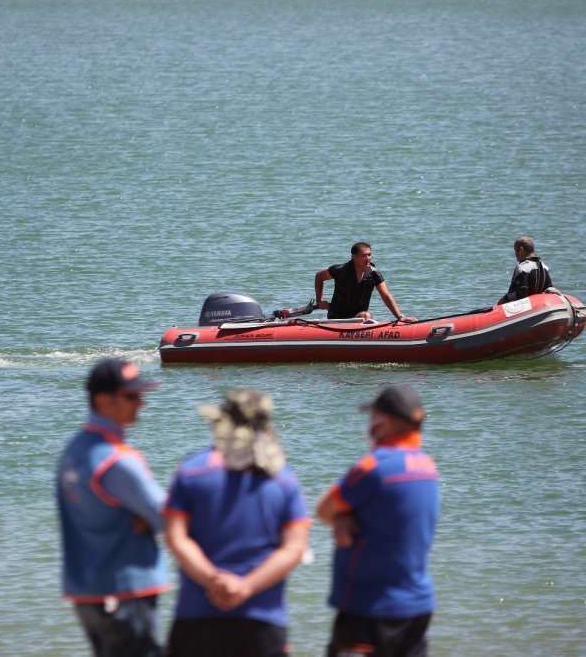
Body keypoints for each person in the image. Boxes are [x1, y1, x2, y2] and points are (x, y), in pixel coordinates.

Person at [164, 389, 311, 657]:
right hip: (262, 619)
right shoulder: (284, 479)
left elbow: (175, 537)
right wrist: (246, 587)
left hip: (197, 615)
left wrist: (213, 580)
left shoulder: (191, 471)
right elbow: (295, 548)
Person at [56, 358, 169, 657]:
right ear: (103, 400)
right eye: (131, 396)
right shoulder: (118, 461)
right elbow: (171, 519)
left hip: (86, 594)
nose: (141, 403)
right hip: (126, 591)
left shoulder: (72, 451)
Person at [316, 385, 440, 657]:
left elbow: (324, 509)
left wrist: (340, 517)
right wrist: (346, 516)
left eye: (373, 417)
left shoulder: (374, 467)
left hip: (371, 607)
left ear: (383, 421)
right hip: (418, 607)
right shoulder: (427, 466)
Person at [315, 242, 418, 322]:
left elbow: (386, 295)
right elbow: (319, 276)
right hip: (336, 318)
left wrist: (400, 317)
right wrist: (319, 300)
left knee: (366, 315)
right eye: (364, 255)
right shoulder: (340, 270)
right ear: (354, 257)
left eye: (369, 255)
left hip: (358, 317)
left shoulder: (374, 274)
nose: (368, 258)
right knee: (366, 316)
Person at [497, 235, 554, 305]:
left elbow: (519, 294)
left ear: (521, 249)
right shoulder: (544, 267)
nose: (515, 255)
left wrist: (499, 304)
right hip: (540, 306)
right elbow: (550, 290)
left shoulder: (522, 268)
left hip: (525, 310)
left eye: (515, 251)